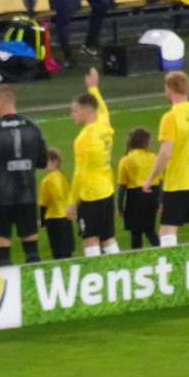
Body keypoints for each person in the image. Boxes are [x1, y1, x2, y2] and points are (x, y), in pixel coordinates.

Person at [0, 85, 48, 266]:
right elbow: (42, 162)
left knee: (2, 240)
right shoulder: (33, 127)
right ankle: (33, 282)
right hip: (27, 193)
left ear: (0, 102)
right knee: (30, 242)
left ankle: (8, 283)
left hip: (0, 196)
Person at [142, 70, 189, 247]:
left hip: (178, 182)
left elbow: (166, 153)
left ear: (169, 88)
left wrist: (150, 179)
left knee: (167, 231)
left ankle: (169, 271)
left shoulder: (171, 117)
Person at [68, 67, 119, 257]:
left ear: (86, 110)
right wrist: (94, 88)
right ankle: (117, 272)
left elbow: (79, 174)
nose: (72, 114)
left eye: (75, 111)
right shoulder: (105, 127)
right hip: (106, 190)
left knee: (90, 238)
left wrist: (72, 203)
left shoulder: (83, 139)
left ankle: (96, 279)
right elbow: (103, 110)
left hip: (89, 195)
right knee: (108, 237)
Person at [116, 128, 161, 249]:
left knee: (136, 233)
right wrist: (160, 201)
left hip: (136, 197)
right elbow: (160, 181)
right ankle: (163, 253)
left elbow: (122, 186)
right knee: (150, 229)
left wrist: (120, 207)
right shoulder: (153, 157)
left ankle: (136, 259)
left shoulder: (126, 160)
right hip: (153, 194)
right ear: (145, 142)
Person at [39, 148, 75, 260]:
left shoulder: (47, 181)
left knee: (57, 251)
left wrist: (42, 220)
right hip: (66, 216)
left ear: (54, 162)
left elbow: (43, 203)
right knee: (67, 250)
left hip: (54, 218)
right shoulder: (62, 176)